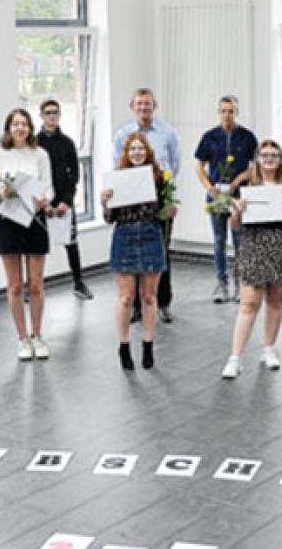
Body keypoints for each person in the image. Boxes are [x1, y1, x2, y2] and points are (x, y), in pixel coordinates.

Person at [221, 140, 282, 379]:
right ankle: (235, 358)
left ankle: (269, 348)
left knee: (276, 302)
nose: (269, 159)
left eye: (274, 155)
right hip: (254, 245)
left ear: (280, 160)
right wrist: (238, 211)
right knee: (248, 304)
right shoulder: (246, 186)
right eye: (265, 155)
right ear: (258, 158)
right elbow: (235, 226)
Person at [103, 132, 177, 370]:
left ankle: (148, 344)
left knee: (149, 296)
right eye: (132, 149)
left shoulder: (159, 179)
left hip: (150, 235)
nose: (137, 153)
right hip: (124, 235)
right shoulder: (117, 179)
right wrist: (105, 202)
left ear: (148, 153)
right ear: (126, 153)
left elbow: (162, 213)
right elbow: (109, 218)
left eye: (141, 149)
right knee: (126, 298)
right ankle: (124, 346)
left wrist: (170, 211)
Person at [0, 108, 54, 361]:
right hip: (9, 221)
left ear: (30, 128)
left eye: (24, 124)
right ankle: (22, 338)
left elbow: (49, 188)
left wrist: (42, 200)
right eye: (15, 124)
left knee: (36, 284)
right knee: (15, 285)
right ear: (8, 128)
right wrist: (0, 194)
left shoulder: (40, 155)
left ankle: (37, 335)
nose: (20, 128)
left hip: (35, 220)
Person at [113, 88, 179, 323]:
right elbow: (118, 168)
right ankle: (138, 307)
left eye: (147, 104)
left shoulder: (168, 132)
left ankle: (163, 303)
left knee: (161, 254)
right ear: (132, 106)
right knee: (135, 255)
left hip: (159, 202)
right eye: (139, 104)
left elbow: (174, 164)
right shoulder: (123, 134)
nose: (143, 108)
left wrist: (164, 194)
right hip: (131, 204)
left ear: (154, 106)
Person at [194, 95, 258, 303]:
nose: (227, 115)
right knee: (219, 239)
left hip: (239, 196)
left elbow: (257, 165)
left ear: (237, 113)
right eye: (224, 111)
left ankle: (241, 284)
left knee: (240, 240)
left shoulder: (247, 137)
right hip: (217, 196)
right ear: (218, 112)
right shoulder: (209, 137)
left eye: (231, 111)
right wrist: (209, 187)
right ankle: (221, 284)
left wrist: (240, 178)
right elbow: (199, 166)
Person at [37, 98, 94, 300]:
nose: (52, 116)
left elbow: (74, 176)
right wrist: (44, 203)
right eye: (48, 113)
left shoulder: (67, 142)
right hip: (41, 204)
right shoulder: (34, 143)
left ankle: (78, 282)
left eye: (55, 112)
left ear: (59, 116)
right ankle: (34, 286)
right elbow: (33, 177)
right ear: (41, 116)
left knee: (71, 243)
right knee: (37, 247)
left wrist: (66, 201)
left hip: (63, 202)